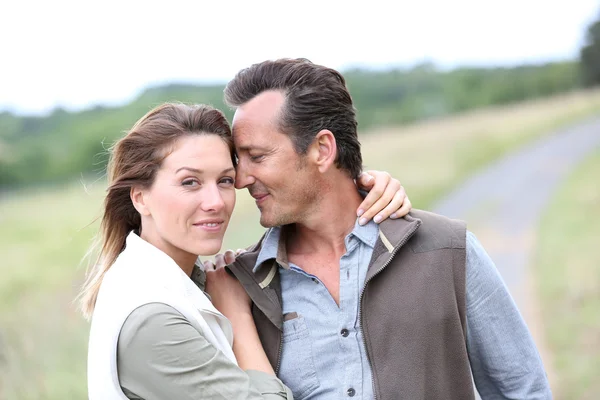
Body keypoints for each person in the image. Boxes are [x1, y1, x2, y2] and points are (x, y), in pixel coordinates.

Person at [206, 58, 553, 400]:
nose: (240, 179)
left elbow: (524, 391)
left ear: (322, 150)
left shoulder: (447, 250)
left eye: (258, 156)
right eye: (239, 160)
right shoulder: (241, 285)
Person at [78, 102, 411, 400]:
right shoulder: (152, 319)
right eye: (190, 182)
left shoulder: (177, 281)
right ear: (140, 197)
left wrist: (365, 188)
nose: (215, 203)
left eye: (224, 180)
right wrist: (236, 315)